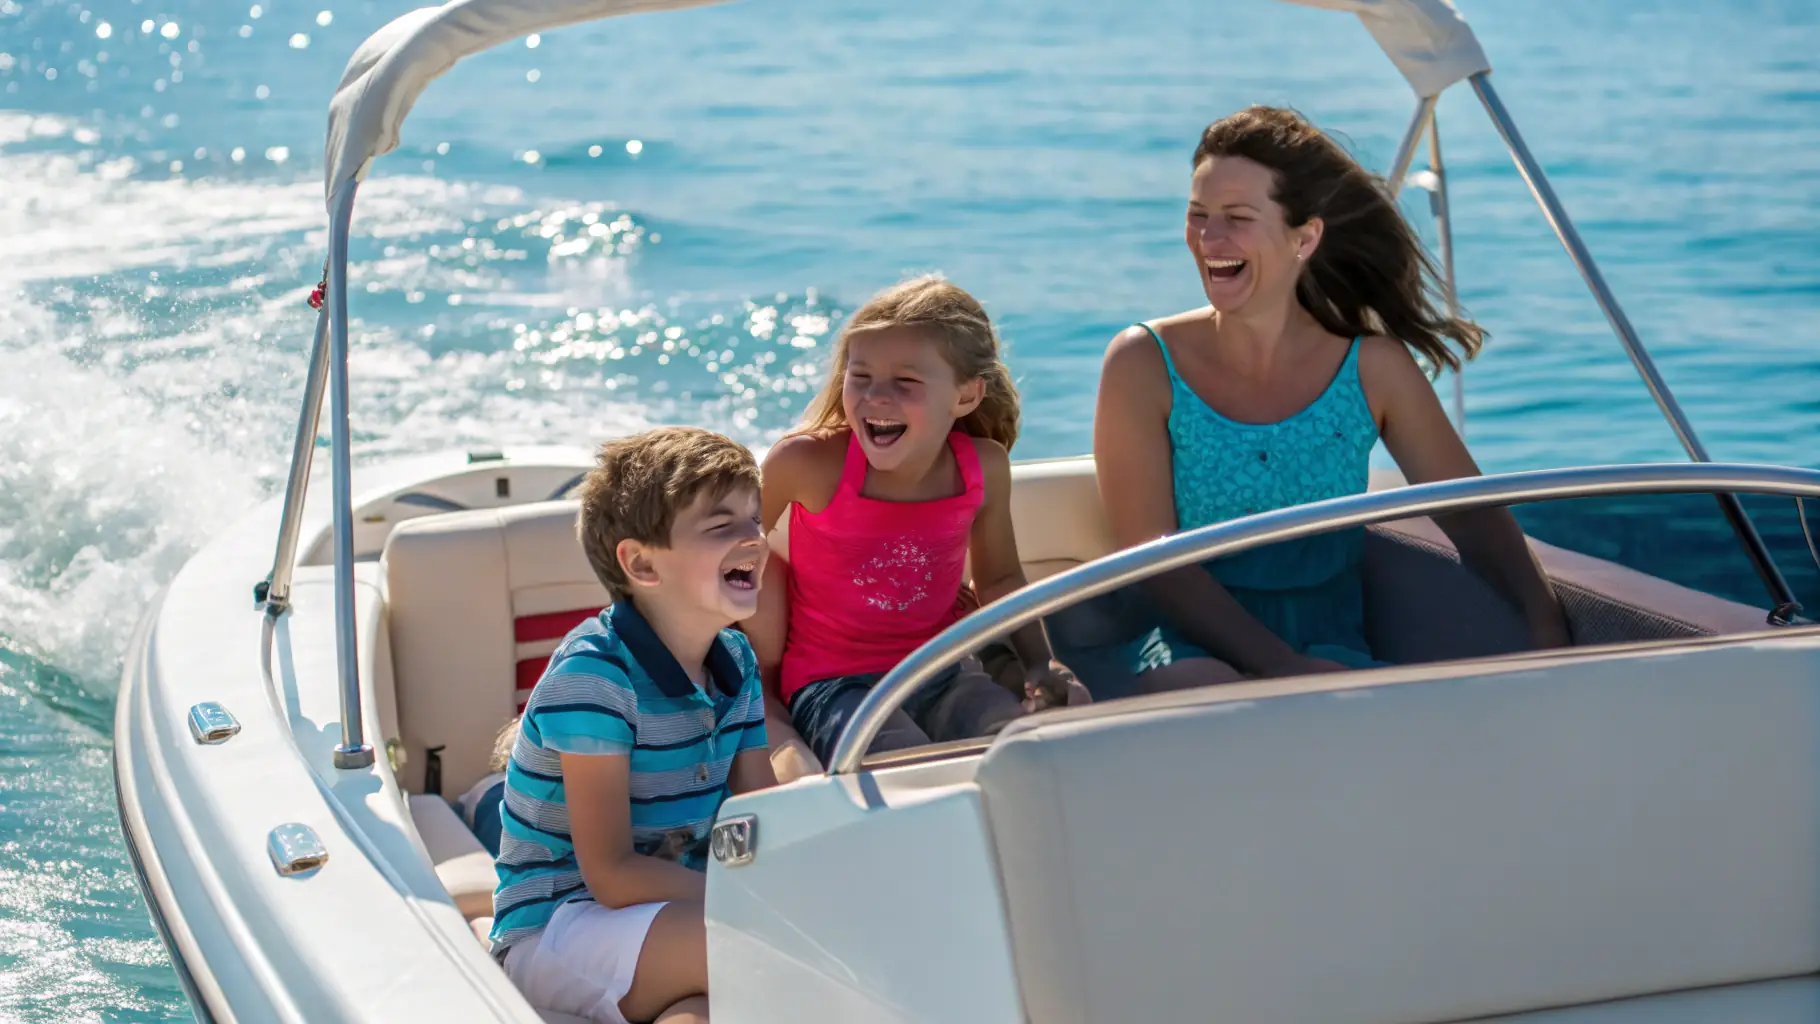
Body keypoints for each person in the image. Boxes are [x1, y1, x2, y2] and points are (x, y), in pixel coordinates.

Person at [1093, 105, 1570, 693]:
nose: (1210, 239)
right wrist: (1278, 666)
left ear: (1306, 236)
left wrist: (1549, 628)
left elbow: (1473, 516)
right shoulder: (1142, 361)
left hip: (1333, 651)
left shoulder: (1374, 369)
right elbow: (1151, 560)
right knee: (1207, 692)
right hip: (1181, 647)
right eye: (1198, 215)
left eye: (1238, 218)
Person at [490, 426, 777, 1024]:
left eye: (755, 519)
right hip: (557, 925)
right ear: (642, 563)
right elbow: (613, 876)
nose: (755, 537)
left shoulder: (737, 663)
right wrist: (760, 900)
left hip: (666, 916)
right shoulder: (595, 676)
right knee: (758, 944)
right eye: (723, 525)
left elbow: (761, 821)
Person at [744, 274, 1089, 768]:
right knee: (904, 769)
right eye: (859, 376)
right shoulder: (807, 464)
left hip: (941, 667)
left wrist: (1039, 660)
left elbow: (1000, 578)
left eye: (905, 382)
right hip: (832, 682)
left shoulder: (983, 468)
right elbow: (729, 551)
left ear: (966, 396)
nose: (875, 397)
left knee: (1016, 752)